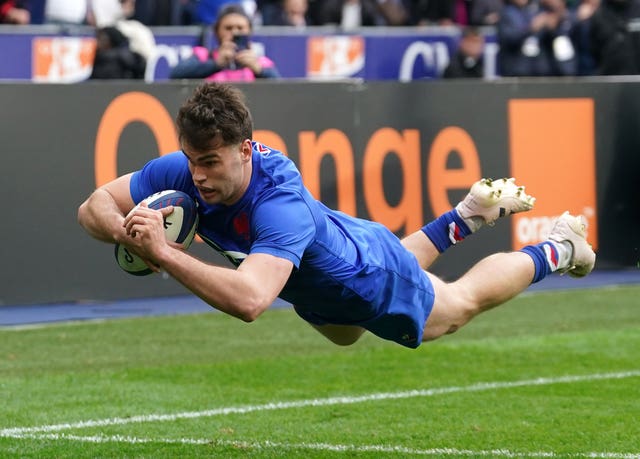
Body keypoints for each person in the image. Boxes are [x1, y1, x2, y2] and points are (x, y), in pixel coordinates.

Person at [77, 82, 596, 349]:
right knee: (345, 334)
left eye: (210, 162)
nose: (199, 177)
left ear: (244, 149)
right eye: (192, 161)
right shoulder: (184, 170)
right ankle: (462, 216)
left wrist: (162, 252)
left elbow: (253, 300)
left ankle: (560, 246)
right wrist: (128, 228)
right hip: (329, 260)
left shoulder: (276, 205)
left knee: (456, 306)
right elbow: (94, 205)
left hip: (364, 275)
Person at [169, 4, 280, 81]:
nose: (234, 32)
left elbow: (281, 86)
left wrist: (259, 71)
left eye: (240, 28)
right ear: (217, 32)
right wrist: (215, 64)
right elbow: (176, 74)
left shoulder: (260, 62)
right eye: (228, 28)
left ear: (249, 31)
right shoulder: (203, 56)